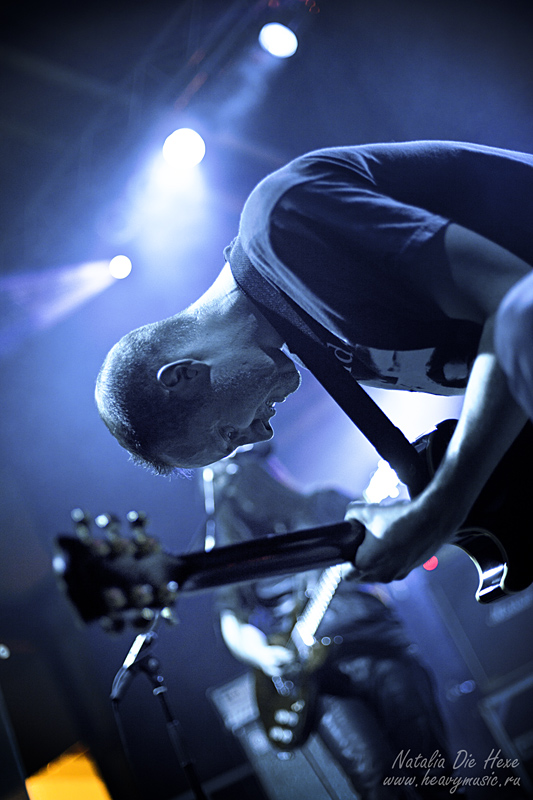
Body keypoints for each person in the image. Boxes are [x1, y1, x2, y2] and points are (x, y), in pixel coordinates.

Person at [95, 140, 533, 586]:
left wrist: (440, 509)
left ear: (183, 375)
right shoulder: (322, 343)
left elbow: (522, 304)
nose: (262, 435)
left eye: (229, 433)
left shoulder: (283, 224)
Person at [209, 446, 453, 799]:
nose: (242, 489)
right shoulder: (237, 553)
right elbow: (231, 621)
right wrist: (263, 655)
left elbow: (389, 541)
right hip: (319, 682)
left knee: (432, 771)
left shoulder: (322, 505)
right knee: (375, 781)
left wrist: (369, 555)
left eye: (246, 475)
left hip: (378, 647)